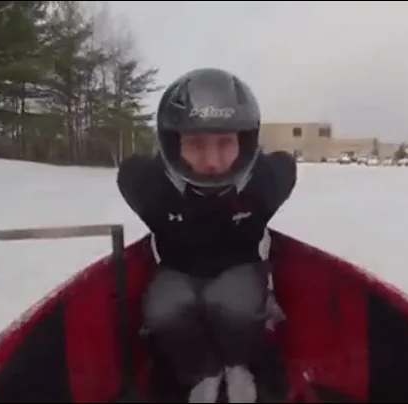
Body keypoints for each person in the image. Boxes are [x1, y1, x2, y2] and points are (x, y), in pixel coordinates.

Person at [116, 67, 296, 403]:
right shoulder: (149, 187)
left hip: (241, 266)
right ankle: (202, 371)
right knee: (163, 311)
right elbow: (130, 171)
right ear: (172, 144)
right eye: (196, 144)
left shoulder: (267, 184)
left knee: (234, 304)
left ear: (245, 143)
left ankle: (238, 364)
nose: (212, 161)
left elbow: (286, 164)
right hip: (176, 269)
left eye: (225, 143)